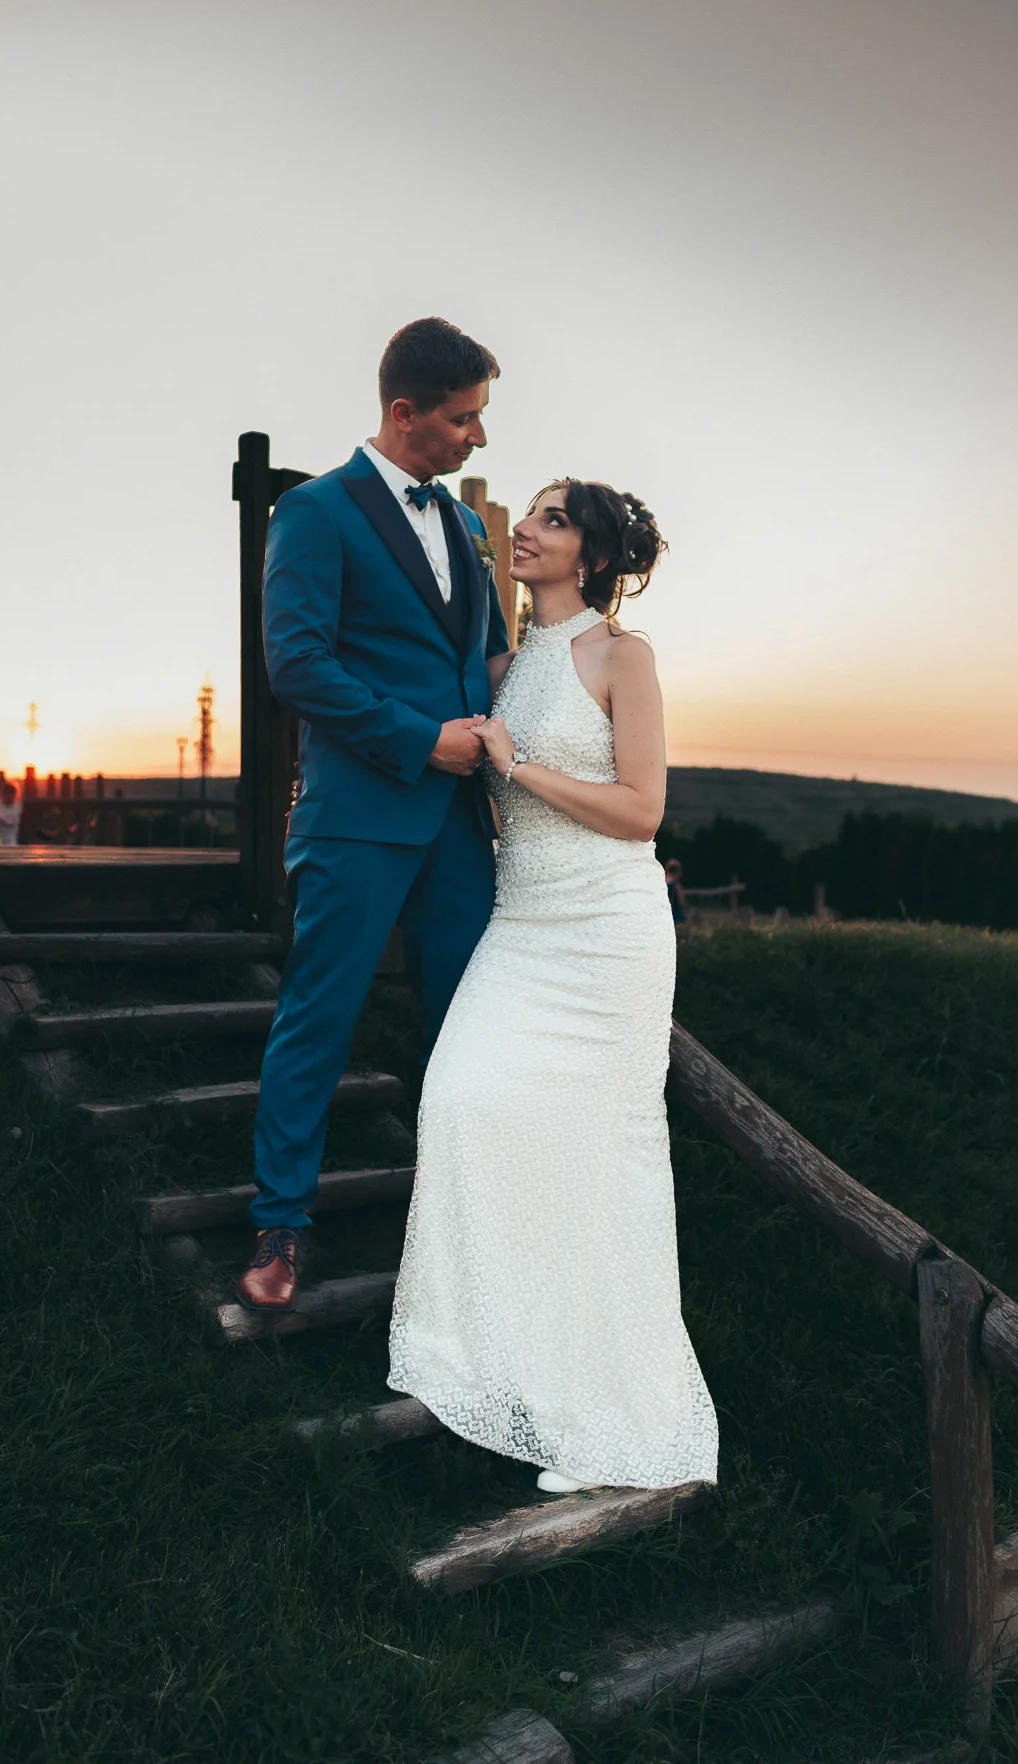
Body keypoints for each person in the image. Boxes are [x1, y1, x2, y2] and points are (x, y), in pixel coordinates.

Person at [388, 479, 719, 1494]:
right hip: (521, 929)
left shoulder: (624, 657)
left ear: (594, 555)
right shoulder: (498, 666)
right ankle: (497, 1364)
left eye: (550, 520)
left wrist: (518, 765)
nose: (524, 532)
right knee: (460, 1100)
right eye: (525, 516)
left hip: (608, 933)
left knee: (601, 1160)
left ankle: (606, 1410)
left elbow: (640, 810)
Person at [236, 318, 511, 1313]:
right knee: (320, 1016)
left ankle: (465, 1222)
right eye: (462, 419)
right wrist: (419, 739)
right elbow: (297, 664)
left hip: (456, 828)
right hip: (358, 814)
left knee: (467, 1024)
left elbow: (476, 662)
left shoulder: (468, 529)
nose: (477, 438)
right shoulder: (315, 514)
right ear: (405, 414)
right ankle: (281, 1224)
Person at [0, 778, 22, 845]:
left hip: (13, 841)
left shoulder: (18, 807)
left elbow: (11, 822)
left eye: (11, 793)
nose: (9, 795)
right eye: (7, 792)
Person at [664, 856, 688, 926]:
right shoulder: (677, 886)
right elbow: (681, 903)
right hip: (676, 918)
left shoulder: (661, 884)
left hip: (664, 917)